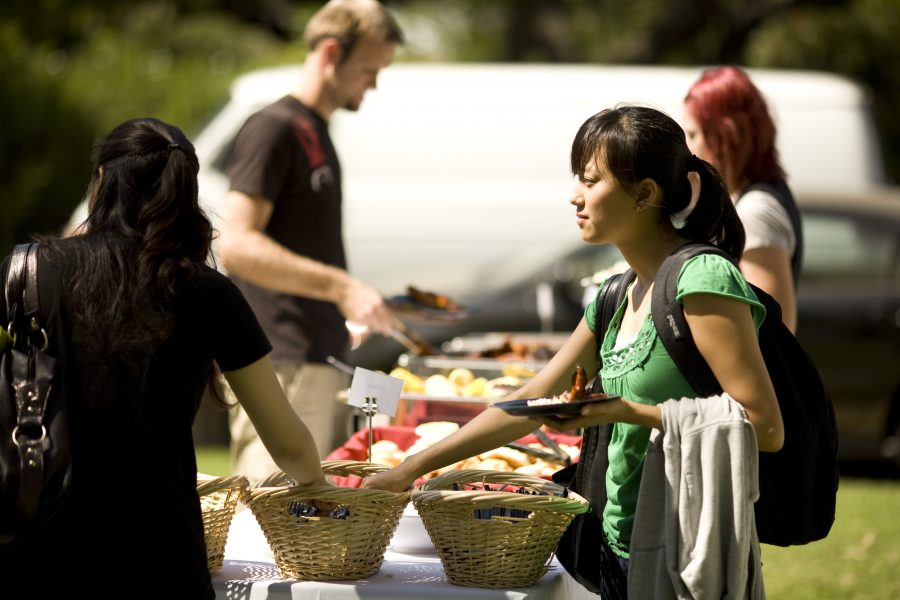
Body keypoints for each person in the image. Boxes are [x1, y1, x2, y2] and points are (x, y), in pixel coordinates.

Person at [365, 105, 784, 597]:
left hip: (686, 549)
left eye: (589, 180)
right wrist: (407, 471)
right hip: (614, 546)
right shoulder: (616, 293)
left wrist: (628, 411)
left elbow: (766, 426)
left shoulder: (703, 280)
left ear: (645, 194)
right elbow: (532, 401)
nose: (574, 196)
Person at [0, 118, 329, 597]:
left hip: (40, 552)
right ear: (184, 191)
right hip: (161, 558)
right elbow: (291, 447)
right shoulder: (210, 293)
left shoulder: (29, 271)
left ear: (100, 182)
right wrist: (325, 493)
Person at [217, 0, 404, 480]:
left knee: (308, 525)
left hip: (312, 361)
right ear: (330, 52)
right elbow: (235, 244)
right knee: (273, 524)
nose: (374, 83)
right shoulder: (273, 127)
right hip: (282, 363)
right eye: (368, 68)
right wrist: (342, 288)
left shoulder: (313, 129)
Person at [683, 65, 802, 332]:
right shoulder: (746, 200)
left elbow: (775, 329)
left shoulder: (755, 210)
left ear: (726, 135)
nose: (687, 150)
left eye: (692, 135)